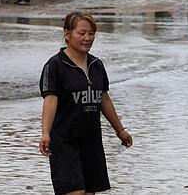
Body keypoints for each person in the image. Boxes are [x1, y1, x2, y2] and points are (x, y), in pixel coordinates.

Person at [39, 11, 133, 195]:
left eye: (91, 33)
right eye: (81, 33)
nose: (87, 38)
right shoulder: (55, 66)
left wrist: (120, 130)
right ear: (67, 34)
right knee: (75, 192)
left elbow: (103, 98)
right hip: (64, 142)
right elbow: (50, 100)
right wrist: (45, 133)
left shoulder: (97, 65)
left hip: (91, 141)